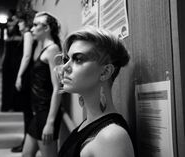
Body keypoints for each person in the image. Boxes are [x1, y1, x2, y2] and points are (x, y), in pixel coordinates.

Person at [57, 26, 136, 157]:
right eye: (67, 59)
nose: (65, 67)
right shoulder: (88, 123)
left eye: (78, 59)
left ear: (105, 72)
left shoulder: (111, 137)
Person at [22, 12, 62, 157]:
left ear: (47, 28)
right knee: (26, 154)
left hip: (46, 114)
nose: (31, 29)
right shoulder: (43, 49)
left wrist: (50, 123)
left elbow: (58, 88)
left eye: (35, 25)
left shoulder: (53, 50)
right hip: (38, 112)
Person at [11, 13, 37, 153]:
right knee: (27, 111)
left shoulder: (27, 34)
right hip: (28, 74)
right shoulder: (27, 35)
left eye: (21, 22)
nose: (18, 24)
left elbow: (27, 56)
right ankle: (27, 142)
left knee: (27, 111)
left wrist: (19, 76)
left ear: (26, 23)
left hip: (26, 75)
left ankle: (27, 143)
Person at [1, 10, 23, 112]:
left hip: (17, 62)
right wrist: (2, 64)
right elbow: (5, 51)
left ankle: (16, 106)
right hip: (7, 62)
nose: (11, 24)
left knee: (15, 84)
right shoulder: (8, 37)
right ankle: (6, 106)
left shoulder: (21, 33)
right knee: (6, 85)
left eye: (14, 19)